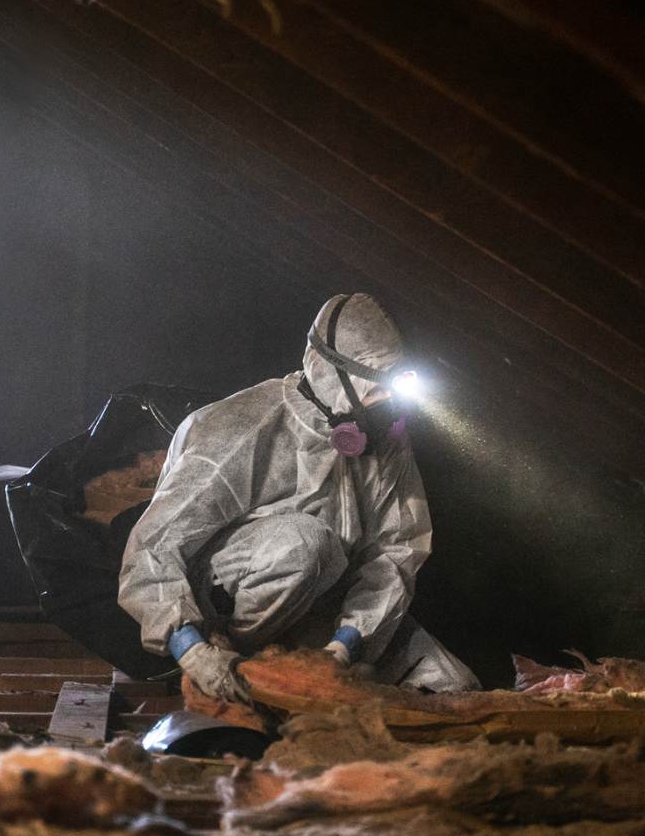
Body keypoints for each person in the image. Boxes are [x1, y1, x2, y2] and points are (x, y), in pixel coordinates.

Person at [118, 293, 478, 703]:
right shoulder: (244, 427)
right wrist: (194, 651)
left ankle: (309, 693)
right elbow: (152, 547)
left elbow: (397, 548)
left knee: (453, 688)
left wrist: (342, 648)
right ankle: (246, 667)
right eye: (375, 389)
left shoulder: (386, 440)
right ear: (331, 372)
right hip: (226, 606)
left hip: (322, 604)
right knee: (306, 544)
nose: (387, 408)